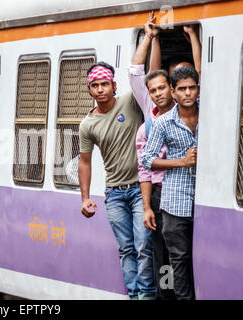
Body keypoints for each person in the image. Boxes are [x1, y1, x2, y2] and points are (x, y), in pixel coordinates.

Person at [78, 62, 156, 300]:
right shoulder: (87, 124)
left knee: (143, 246)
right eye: (95, 85)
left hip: (140, 189)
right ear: (89, 90)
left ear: (113, 86)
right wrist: (85, 198)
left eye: (104, 84)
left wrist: (151, 40)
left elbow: (150, 76)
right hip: (114, 194)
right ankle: (134, 295)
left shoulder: (130, 101)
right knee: (126, 249)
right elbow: (85, 162)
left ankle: (146, 295)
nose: (100, 89)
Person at [142, 66, 199, 300]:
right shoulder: (163, 123)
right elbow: (147, 159)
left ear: (198, 89)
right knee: (180, 260)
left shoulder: (211, 115)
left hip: (208, 200)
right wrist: (182, 162)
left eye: (192, 88)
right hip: (175, 202)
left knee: (204, 257)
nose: (187, 93)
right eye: (182, 89)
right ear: (173, 92)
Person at [129, 13, 176, 300]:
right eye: (153, 90)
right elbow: (139, 71)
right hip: (158, 191)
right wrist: (150, 36)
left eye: (162, 88)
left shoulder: (185, 112)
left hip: (181, 189)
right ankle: (165, 295)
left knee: (178, 251)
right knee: (159, 250)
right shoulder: (149, 115)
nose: (157, 93)